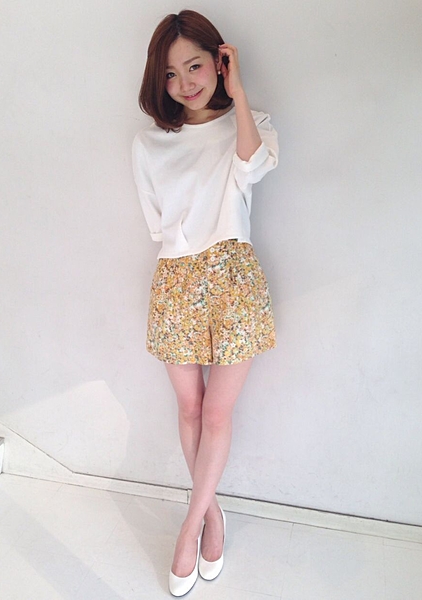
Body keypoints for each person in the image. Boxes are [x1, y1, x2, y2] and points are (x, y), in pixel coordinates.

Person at [132, 9, 279, 597]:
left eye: (195, 66)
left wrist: (238, 94)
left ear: (219, 62)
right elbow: (157, 224)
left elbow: (252, 165)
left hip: (234, 278)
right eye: (170, 74)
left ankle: (189, 525)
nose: (184, 82)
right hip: (175, 279)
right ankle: (212, 515)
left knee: (217, 413)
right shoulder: (149, 144)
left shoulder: (252, 123)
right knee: (190, 408)